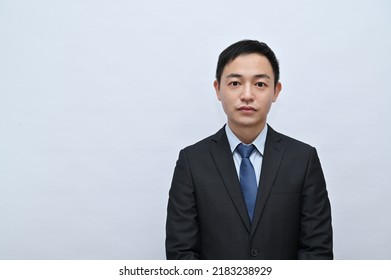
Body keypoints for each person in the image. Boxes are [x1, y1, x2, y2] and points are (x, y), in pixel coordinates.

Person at [165, 40, 333, 260]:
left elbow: (317, 251)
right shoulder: (191, 162)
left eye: (260, 84)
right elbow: (181, 253)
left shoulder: (303, 159)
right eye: (235, 83)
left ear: (276, 91)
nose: (247, 95)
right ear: (218, 89)